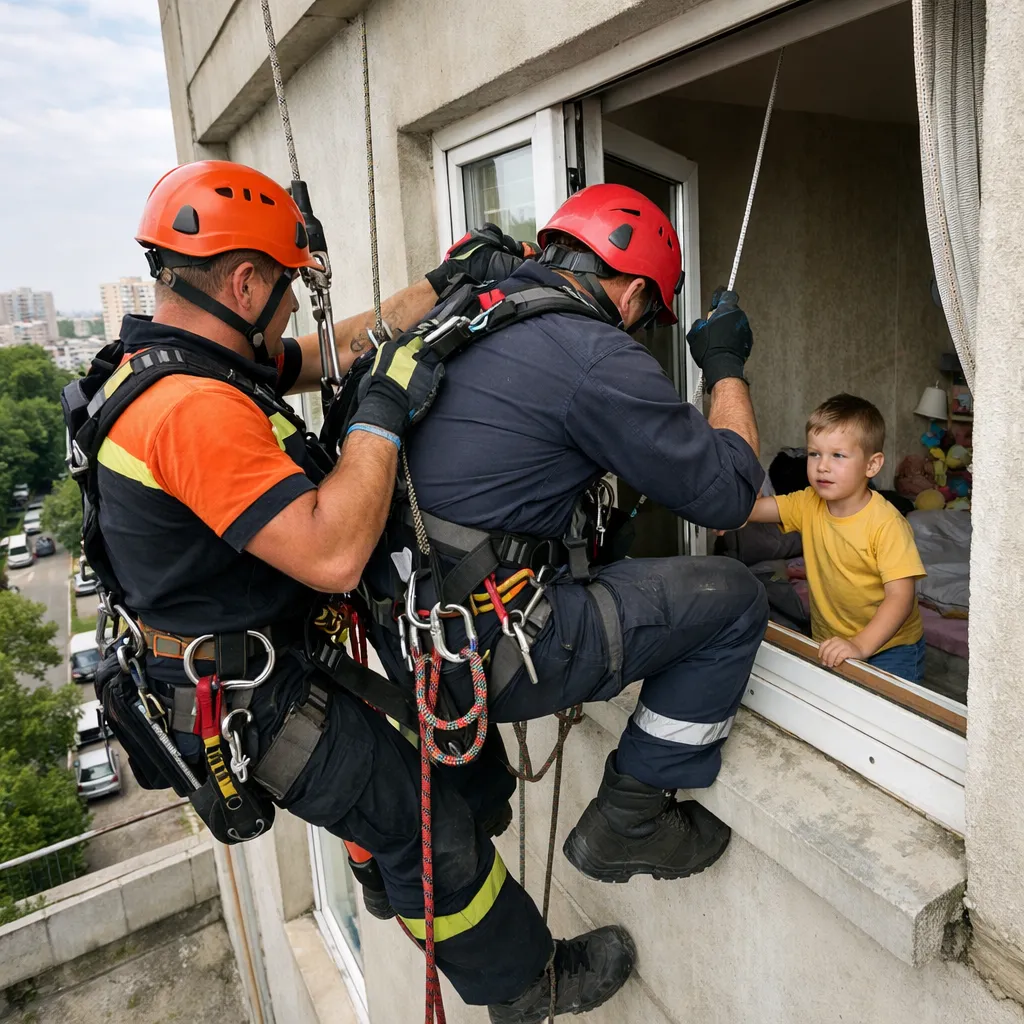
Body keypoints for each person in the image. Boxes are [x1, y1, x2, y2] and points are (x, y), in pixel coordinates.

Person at [72, 160, 600, 1016]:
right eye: (283, 287)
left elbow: (325, 352)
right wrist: (378, 417)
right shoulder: (190, 410)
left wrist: (440, 286)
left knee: (448, 785)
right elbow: (332, 555)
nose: (288, 305)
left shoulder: (182, 358)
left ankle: (393, 881)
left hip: (262, 651)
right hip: (255, 696)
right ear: (243, 280)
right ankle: (528, 986)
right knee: (430, 833)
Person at [360, 182, 769, 1022]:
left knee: (478, 803)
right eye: (646, 315)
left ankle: (445, 905)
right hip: (496, 649)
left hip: (410, 634)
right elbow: (728, 493)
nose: (639, 329)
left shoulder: (469, 312)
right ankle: (630, 814)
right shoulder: (592, 352)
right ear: (631, 291)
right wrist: (724, 367)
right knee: (732, 595)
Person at [746, 393, 927, 681]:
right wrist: (729, 510)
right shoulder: (808, 502)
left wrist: (860, 645)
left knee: (884, 715)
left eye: (838, 455)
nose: (822, 466)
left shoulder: (887, 523)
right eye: (815, 453)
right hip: (831, 638)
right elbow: (757, 510)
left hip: (893, 646)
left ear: (872, 465)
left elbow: (901, 598)